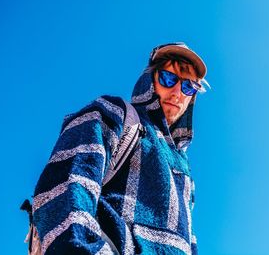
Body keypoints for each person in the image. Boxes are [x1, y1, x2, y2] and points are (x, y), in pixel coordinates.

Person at [31, 42, 209, 254]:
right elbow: (67, 186)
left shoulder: (184, 171)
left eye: (189, 86)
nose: (178, 92)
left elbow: (190, 243)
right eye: (169, 78)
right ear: (150, 79)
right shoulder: (115, 114)